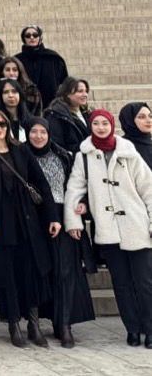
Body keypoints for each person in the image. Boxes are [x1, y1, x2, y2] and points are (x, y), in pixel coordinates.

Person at [0, 107, 59, 348]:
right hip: (0, 223)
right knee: (7, 275)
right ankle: (13, 324)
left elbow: (41, 183)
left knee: (31, 272)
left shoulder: (21, 150)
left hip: (26, 221)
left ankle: (33, 324)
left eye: (2, 124)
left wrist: (53, 216)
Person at [64, 108, 152, 348]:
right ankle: (132, 329)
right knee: (121, 284)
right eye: (96, 124)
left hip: (136, 225)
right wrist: (73, 221)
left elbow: (148, 189)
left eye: (105, 123)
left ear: (112, 125)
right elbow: (74, 189)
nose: (101, 127)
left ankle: (150, 328)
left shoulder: (128, 151)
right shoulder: (84, 155)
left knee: (145, 282)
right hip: (108, 229)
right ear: (90, 126)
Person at [24, 117, 93, 347]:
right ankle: (33, 324)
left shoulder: (63, 155)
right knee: (37, 271)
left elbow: (77, 187)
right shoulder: (22, 155)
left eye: (43, 132)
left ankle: (64, 324)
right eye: (34, 131)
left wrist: (80, 208)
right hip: (34, 218)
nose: (39, 136)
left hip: (63, 216)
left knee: (65, 272)